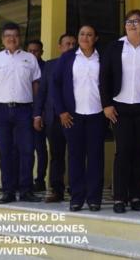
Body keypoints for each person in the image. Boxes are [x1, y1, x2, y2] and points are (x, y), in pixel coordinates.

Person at [100, 9, 140, 214]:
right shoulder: (115, 47)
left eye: (137, 21)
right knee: (123, 151)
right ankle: (119, 197)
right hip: (119, 106)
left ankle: (135, 195)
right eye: (129, 21)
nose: (132, 24)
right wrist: (106, 104)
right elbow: (104, 77)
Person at [0, 22, 42, 204]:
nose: (11, 39)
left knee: (27, 150)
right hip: (0, 111)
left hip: (24, 110)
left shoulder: (30, 59)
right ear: (2, 39)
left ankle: (26, 190)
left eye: (14, 35)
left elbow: (36, 86)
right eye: (7, 36)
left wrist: (37, 112)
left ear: (19, 38)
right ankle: (8, 191)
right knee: (5, 151)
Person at [52, 25, 105, 212]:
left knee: (96, 159)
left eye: (90, 34)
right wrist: (61, 111)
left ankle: (94, 199)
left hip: (97, 115)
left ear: (96, 38)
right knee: (75, 158)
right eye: (82, 34)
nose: (85, 37)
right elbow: (55, 84)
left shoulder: (102, 58)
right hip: (72, 117)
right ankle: (77, 198)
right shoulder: (68, 58)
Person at [34, 33, 76, 203]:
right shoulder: (50, 66)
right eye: (67, 44)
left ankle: (76, 188)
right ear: (60, 47)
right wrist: (37, 114)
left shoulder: (80, 64)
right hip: (53, 118)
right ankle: (57, 190)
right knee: (56, 155)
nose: (70, 47)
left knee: (75, 154)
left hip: (74, 117)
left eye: (73, 44)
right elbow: (42, 92)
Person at [26, 39, 49, 193]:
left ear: (42, 52)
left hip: (41, 114)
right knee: (24, 149)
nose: (33, 54)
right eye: (31, 51)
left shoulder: (47, 68)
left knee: (40, 149)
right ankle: (23, 181)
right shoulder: (22, 67)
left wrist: (39, 114)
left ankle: (40, 180)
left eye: (36, 51)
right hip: (23, 113)